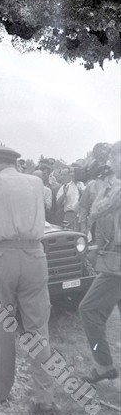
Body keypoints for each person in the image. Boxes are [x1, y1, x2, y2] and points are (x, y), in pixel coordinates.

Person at [0, 145, 57, 415]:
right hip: (34, 255)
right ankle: (45, 398)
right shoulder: (36, 181)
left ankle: (1, 393)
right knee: (38, 329)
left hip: (4, 255)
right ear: (16, 163)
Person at [79, 158, 121, 383]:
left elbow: (95, 212)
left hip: (118, 264)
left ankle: (104, 366)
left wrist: (104, 188)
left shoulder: (117, 190)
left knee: (88, 310)